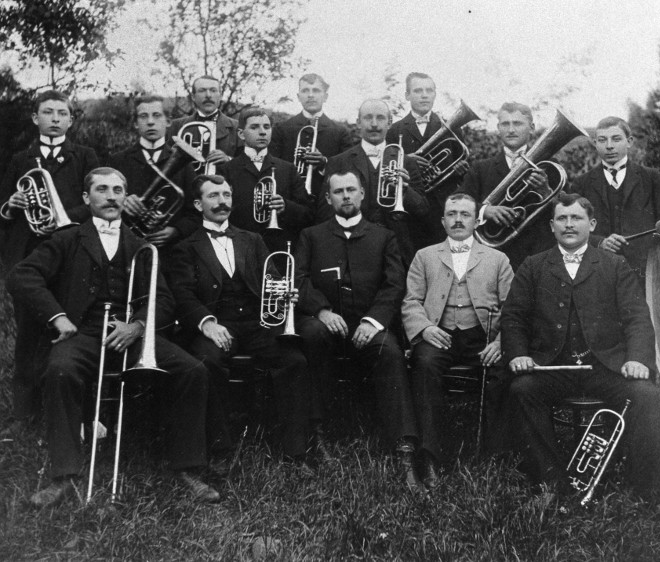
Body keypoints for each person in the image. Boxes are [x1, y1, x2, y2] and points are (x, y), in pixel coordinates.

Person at [7, 167, 218, 508]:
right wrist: (58, 318)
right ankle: (63, 475)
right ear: (86, 198)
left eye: (118, 190)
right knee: (60, 370)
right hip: (82, 332)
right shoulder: (65, 239)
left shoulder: (141, 245)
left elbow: (162, 299)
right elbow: (22, 276)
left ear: (125, 196)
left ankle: (188, 468)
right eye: (102, 189)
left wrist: (136, 325)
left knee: (193, 370)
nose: (111, 196)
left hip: (130, 334)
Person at [492, 191, 660, 507]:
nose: (569, 224)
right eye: (562, 218)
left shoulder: (615, 265)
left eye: (576, 218)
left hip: (605, 367)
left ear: (591, 224)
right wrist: (519, 353)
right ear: (551, 226)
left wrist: (637, 359)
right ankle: (550, 484)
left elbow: (637, 318)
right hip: (553, 367)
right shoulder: (533, 266)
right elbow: (514, 317)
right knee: (522, 389)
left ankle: (655, 495)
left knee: (645, 393)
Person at [167, 174, 310, 462]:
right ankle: (221, 447)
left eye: (227, 195)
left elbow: (273, 278)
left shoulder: (252, 239)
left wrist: (284, 294)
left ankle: (296, 450)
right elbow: (182, 294)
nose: (222, 202)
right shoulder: (185, 246)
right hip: (216, 324)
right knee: (207, 362)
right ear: (198, 204)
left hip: (257, 323)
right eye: (213, 196)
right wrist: (207, 323)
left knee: (294, 360)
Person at [294, 170, 421, 488]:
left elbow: (395, 284)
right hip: (326, 324)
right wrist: (321, 310)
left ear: (363, 194)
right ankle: (315, 436)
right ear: (328, 198)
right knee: (310, 336)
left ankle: (403, 451)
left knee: (390, 351)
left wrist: (373, 321)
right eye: (338, 192)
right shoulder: (312, 235)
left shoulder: (383, 235)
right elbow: (299, 279)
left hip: (369, 324)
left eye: (352, 190)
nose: (346, 196)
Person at [0, 90, 99, 421]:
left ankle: (66, 409)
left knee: (70, 327)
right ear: (35, 118)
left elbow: (96, 201)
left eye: (62, 113)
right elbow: (3, 205)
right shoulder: (20, 159)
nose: (55, 118)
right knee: (29, 332)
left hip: (71, 252)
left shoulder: (85, 156)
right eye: (48, 112)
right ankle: (26, 413)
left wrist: (64, 219)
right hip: (29, 255)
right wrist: (11, 206)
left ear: (71, 119)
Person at [401, 193, 512, 488]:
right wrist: (424, 329)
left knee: (503, 370)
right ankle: (431, 457)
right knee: (424, 365)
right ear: (443, 220)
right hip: (439, 333)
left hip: (482, 336)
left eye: (465, 214)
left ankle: (495, 454)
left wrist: (500, 342)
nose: (458, 219)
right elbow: (410, 302)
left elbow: (514, 309)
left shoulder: (498, 259)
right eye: (452, 214)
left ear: (477, 221)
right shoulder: (425, 256)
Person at [570, 116, 660, 282]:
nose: (609, 146)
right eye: (602, 140)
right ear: (595, 143)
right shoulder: (582, 183)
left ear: (629, 142)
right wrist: (600, 242)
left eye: (616, 139)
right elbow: (572, 228)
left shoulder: (651, 177)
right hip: (597, 274)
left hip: (644, 273)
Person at [320, 99, 428, 267]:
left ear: (390, 123)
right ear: (358, 122)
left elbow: (422, 211)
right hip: (351, 248)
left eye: (381, 118)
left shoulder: (407, 162)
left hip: (397, 253)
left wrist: (406, 191)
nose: (374, 124)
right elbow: (325, 212)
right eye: (368, 118)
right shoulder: (338, 162)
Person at [458, 102, 553, 270]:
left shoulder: (549, 166)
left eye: (517, 123)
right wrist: (484, 211)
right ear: (498, 128)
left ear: (531, 127)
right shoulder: (480, 169)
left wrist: (546, 192)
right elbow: (458, 203)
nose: (511, 130)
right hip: (493, 258)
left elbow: (568, 210)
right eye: (505, 124)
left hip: (539, 255)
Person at [386, 72, 470, 249]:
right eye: (417, 90)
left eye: (429, 90)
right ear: (407, 95)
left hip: (442, 209)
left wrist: (460, 170)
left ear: (434, 94)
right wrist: (407, 160)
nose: (424, 95)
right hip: (408, 209)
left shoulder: (451, 127)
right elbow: (387, 167)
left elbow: (463, 166)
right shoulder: (395, 129)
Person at [107, 95, 199, 247]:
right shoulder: (117, 161)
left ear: (168, 121)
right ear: (136, 123)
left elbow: (195, 212)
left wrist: (177, 230)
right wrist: (122, 202)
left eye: (157, 116)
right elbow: (102, 205)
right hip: (127, 246)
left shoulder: (185, 163)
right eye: (143, 116)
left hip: (172, 253)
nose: (150, 122)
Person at [222, 107, 314, 253]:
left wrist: (286, 207)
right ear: (241, 134)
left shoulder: (288, 169)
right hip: (239, 248)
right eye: (254, 127)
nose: (263, 132)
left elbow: (308, 214)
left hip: (278, 249)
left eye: (266, 127)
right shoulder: (227, 170)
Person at [269, 73, 353, 200]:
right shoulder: (282, 129)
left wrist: (324, 163)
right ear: (298, 96)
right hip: (290, 201)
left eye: (316, 90)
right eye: (305, 90)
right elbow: (274, 168)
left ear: (325, 97)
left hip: (326, 202)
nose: (310, 95)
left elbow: (347, 171)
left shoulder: (341, 132)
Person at [168, 75, 242, 167]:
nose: (208, 95)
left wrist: (229, 160)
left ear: (220, 96)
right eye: (202, 90)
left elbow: (247, 163)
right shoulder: (175, 126)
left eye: (213, 90)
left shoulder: (237, 127)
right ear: (193, 97)